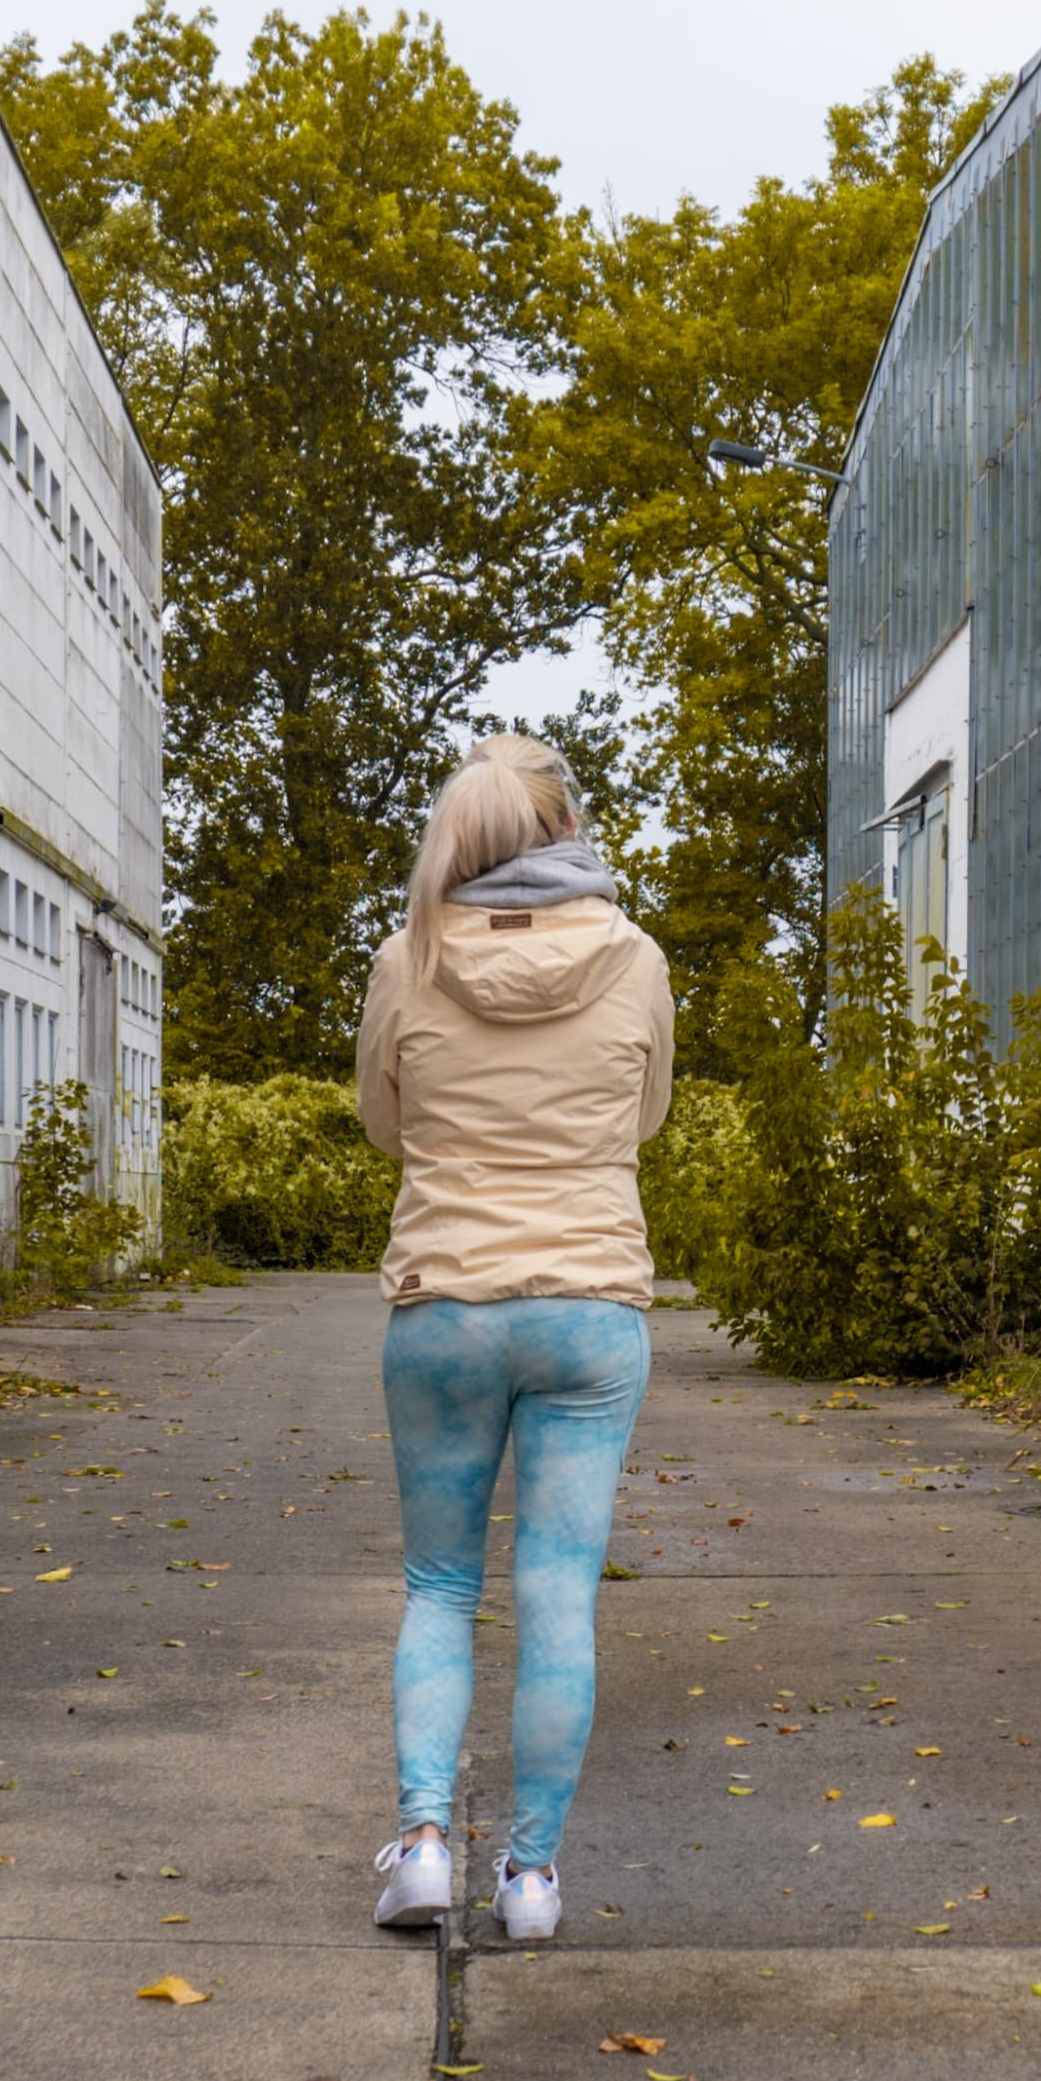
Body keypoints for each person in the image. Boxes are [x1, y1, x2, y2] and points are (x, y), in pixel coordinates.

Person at [354, 735, 671, 1947]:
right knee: (557, 1595)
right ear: (565, 827)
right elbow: (644, 1115)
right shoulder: (633, 956)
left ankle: (424, 1845)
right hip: (588, 1307)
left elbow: (383, 1123)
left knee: (440, 1585)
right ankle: (531, 1877)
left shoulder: (409, 955)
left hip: (443, 1301)